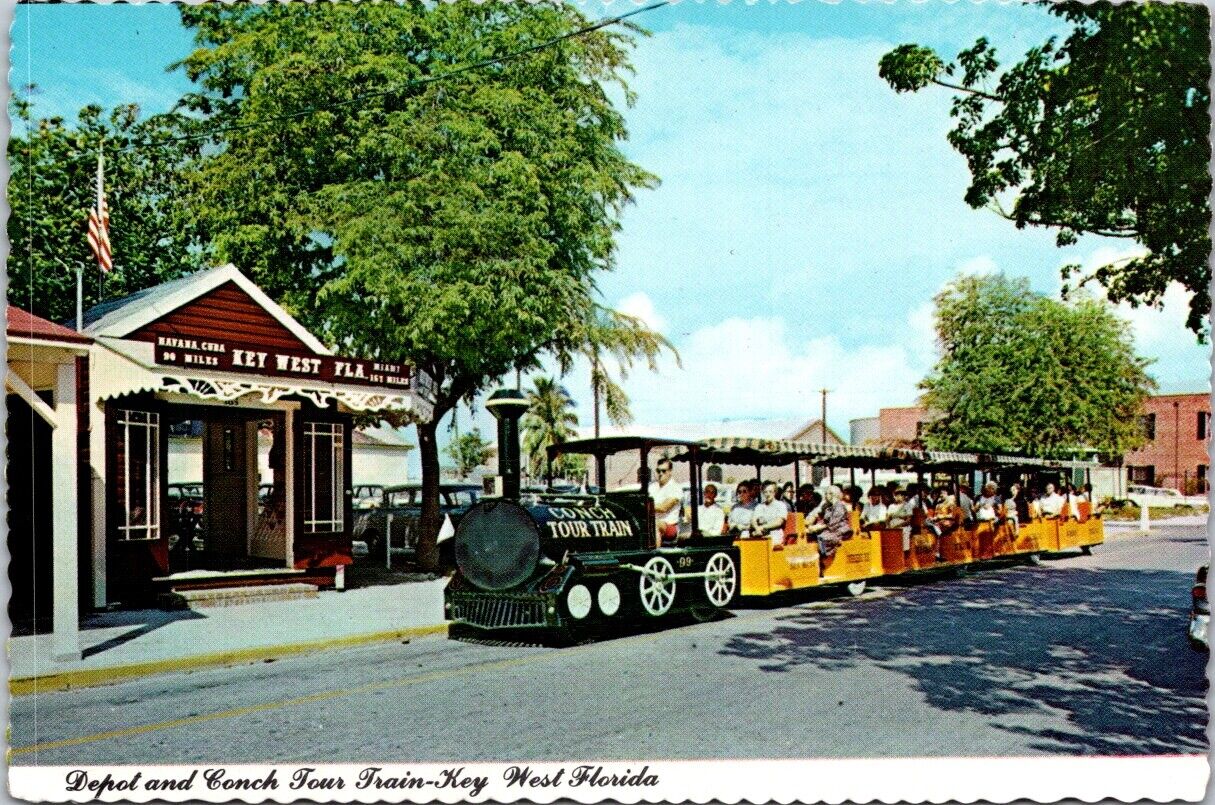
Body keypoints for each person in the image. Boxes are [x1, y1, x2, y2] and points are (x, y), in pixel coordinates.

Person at [807, 485, 852, 565]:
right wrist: (815, 526)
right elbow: (825, 520)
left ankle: (823, 560)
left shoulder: (839, 507)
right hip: (830, 529)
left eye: (826, 494)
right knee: (812, 536)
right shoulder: (829, 506)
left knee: (822, 538)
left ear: (832, 495)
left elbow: (833, 523)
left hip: (839, 530)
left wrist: (817, 528)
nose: (825, 496)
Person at [648, 458, 682, 544]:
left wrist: (645, 505)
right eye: (658, 471)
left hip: (670, 527)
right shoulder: (652, 487)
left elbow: (664, 508)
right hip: (652, 521)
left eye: (663, 471)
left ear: (670, 471)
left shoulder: (675, 488)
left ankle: (655, 554)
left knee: (654, 523)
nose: (660, 474)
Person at [752, 480, 790, 545]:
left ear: (775, 492)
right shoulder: (759, 506)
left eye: (770, 491)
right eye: (765, 492)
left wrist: (763, 527)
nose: (768, 494)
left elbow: (779, 522)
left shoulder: (781, 505)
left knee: (765, 543)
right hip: (760, 533)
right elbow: (753, 520)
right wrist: (757, 528)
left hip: (775, 534)